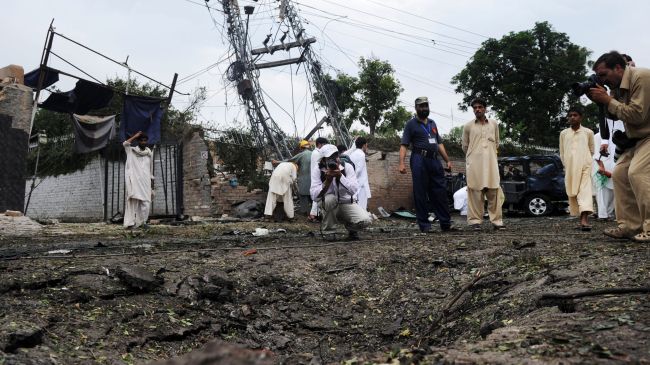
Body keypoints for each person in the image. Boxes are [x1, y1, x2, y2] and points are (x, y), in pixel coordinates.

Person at [588, 50, 650, 242]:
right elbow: (616, 115)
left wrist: (608, 100)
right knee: (619, 173)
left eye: (604, 75)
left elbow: (637, 115)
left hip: (647, 135)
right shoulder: (617, 86)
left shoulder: (642, 77)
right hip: (638, 139)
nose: (603, 80)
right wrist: (603, 102)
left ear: (618, 68)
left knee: (637, 173)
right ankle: (630, 226)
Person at [399, 96, 455, 232]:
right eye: (421, 106)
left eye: (426, 106)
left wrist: (447, 160)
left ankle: (445, 224)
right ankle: (424, 225)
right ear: (416, 108)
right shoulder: (411, 124)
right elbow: (404, 145)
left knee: (440, 191)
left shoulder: (432, 123)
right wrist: (401, 163)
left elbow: (439, 143)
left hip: (434, 160)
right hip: (419, 159)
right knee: (420, 192)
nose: (424, 108)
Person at [310, 144, 371, 240]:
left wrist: (340, 176)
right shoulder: (318, 170)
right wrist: (327, 181)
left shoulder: (347, 167)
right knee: (330, 199)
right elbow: (314, 196)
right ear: (323, 160)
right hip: (329, 204)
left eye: (335, 156)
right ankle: (329, 232)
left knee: (365, 220)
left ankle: (351, 228)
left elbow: (354, 190)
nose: (333, 160)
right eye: (329, 158)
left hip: (346, 203)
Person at [461, 98, 504, 230]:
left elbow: (496, 143)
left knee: (494, 191)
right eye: (475, 108)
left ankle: (497, 222)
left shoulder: (494, 124)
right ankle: (475, 222)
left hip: (491, 163)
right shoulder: (468, 126)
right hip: (474, 165)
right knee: (475, 192)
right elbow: (465, 146)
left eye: (480, 107)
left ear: (485, 109)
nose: (477, 109)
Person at [559, 106, 594, 231]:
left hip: (585, 165)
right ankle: (579, 217)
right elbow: (562, 152)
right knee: (572, 191)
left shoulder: (588, 132)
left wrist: (585, 161)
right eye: (570, 115)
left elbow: (591, 149)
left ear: (581, 117)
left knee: (584, 190)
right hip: (570, 167)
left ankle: (584, 220)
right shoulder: (563, 134)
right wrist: (566, 165)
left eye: (575, 115)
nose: (572, 117)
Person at [273, 140, 313, 220]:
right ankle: (315, 214)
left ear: (301, 148)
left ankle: (307, 214)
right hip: (314, 180)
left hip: (304, 179)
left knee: (303, 196)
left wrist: (277, 162)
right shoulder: (314, 154)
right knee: (313, 198)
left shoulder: (302, 154)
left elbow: (289, 161)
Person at [123, 131, 153, 229]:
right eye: (141, 140)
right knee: (132, 202)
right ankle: (130, 223)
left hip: (145, 182)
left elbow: (151, 169)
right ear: (138, 141)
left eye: (145, 141)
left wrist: (152, 182)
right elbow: (125, 143)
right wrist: (135, 136)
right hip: (134, 181)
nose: (143, 142)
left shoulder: (149, 153)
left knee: (146, 203)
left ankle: (142, 222)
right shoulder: (131, 151)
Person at [593, 131, 615, 220]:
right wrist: (602, 168)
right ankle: (603, 214)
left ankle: (609, 213)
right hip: (603, 165)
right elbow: (596, 155)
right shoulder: (598, 136)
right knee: (602, 191)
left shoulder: (619, 133)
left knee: (613, 192)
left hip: (615, 165)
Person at [308, 137, 329, 222]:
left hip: (316, 176)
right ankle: (313, 215)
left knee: (318, 197)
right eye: (324, 145)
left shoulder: (315, 152)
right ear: (319, 144)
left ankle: (314, 215)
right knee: (318, 196)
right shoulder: (317, 153)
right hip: (318, 176)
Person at [348, 137, 372, 211]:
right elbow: (359, 170)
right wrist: (355, 179)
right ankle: (362, 220)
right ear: (364, 145)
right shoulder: (361, 154)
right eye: (366, 144)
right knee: (362, 205)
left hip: (354, 183)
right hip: (361, 184)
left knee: (355, 204)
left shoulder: (352, 154)